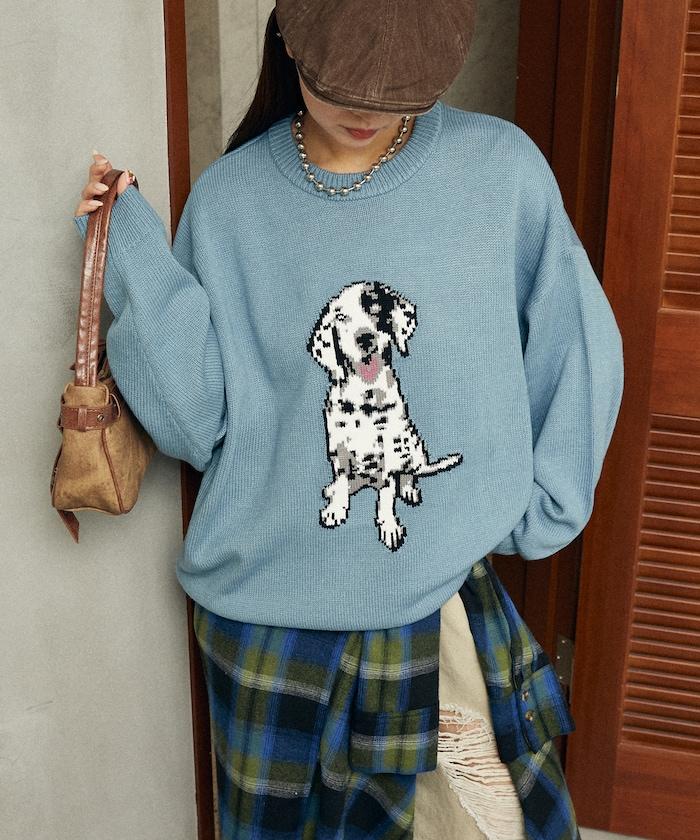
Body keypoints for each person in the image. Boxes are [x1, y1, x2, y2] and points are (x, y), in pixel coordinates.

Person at [73, 1, 623, 836]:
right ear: (290, 38)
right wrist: (133, 255)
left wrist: (545, 505)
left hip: (437, 605)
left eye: (397, 91)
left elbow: (576, 343)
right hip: (266, 623)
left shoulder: (500, 170)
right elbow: (193, 423)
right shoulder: (231, 199)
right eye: (340, 86)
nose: (366, 111)